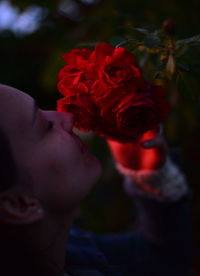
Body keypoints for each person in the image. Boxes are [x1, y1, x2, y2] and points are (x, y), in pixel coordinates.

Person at [0, 84, 192, 276]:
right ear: (19, 204)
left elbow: (161, 260)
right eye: (47, 127)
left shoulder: (77, 250)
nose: (68, 117)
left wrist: (148, 178)